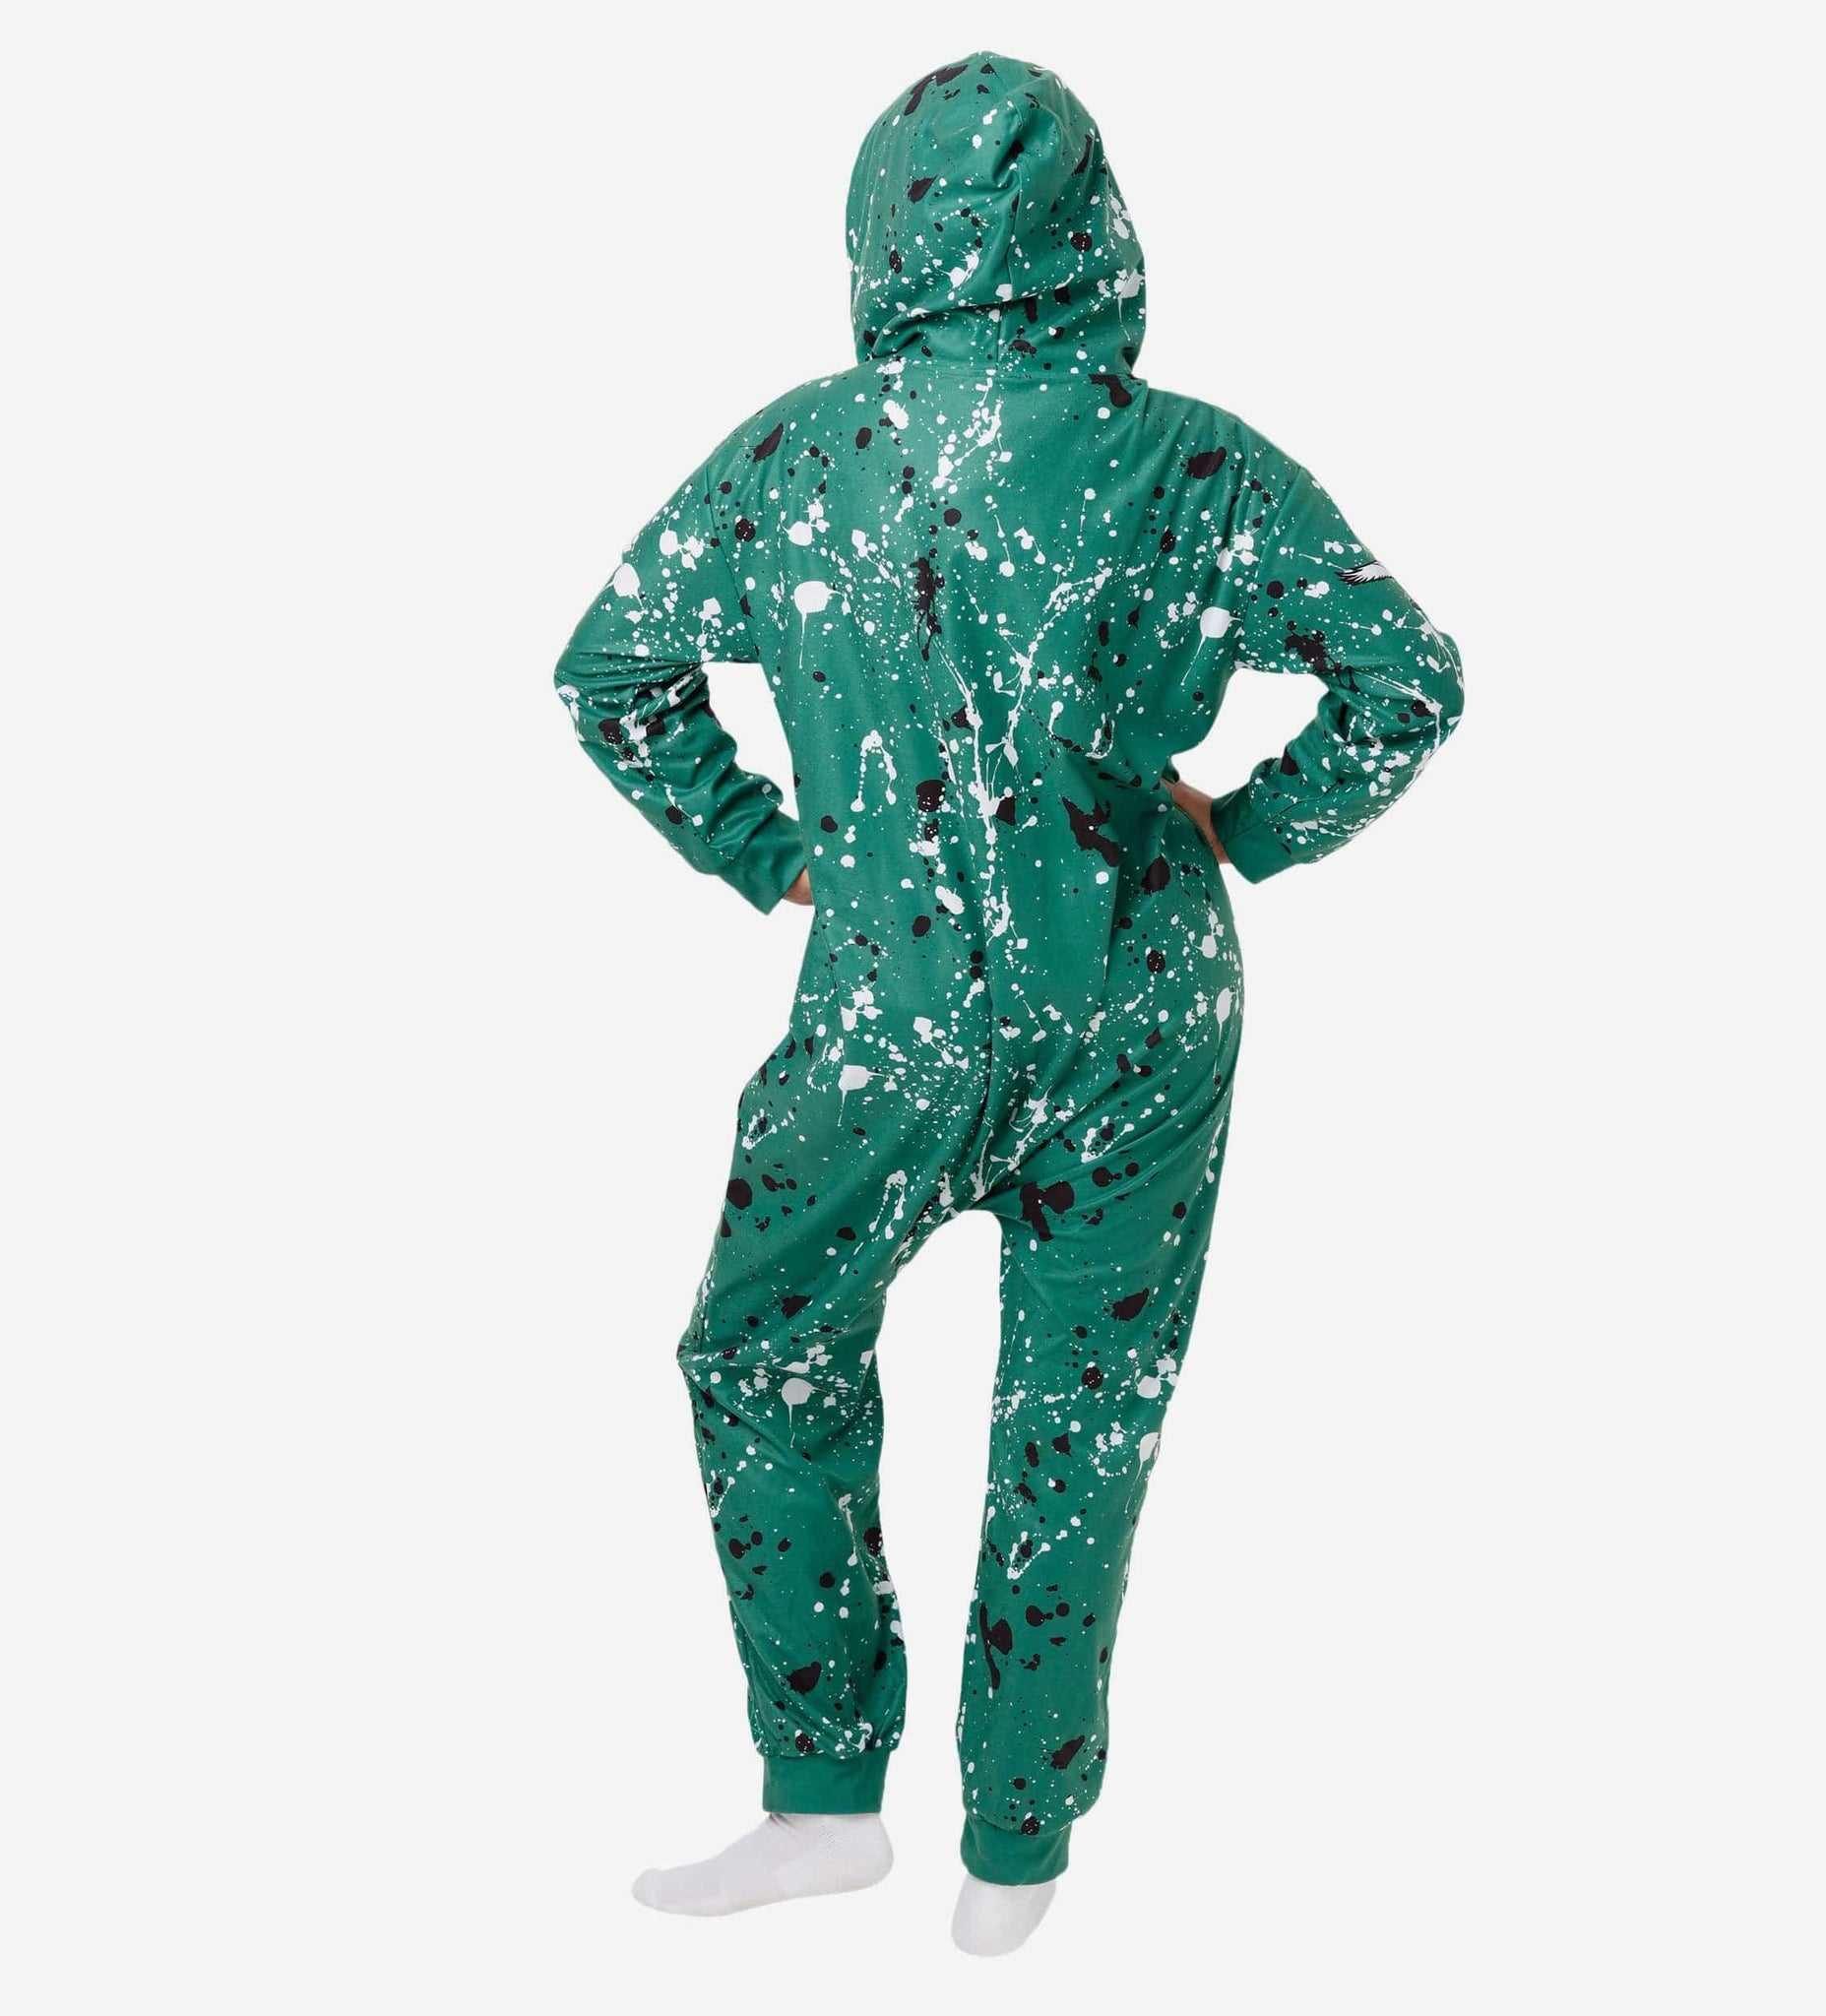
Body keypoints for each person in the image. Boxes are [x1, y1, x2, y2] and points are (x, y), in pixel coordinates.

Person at [553, 50, 1464, 1958]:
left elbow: (614, 672)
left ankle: (822, 1798)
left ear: (878, 233)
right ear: (1097, 232)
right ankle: (1014, 1851)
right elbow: (1407, 681)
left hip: (888, 1010)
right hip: (1141, 1003)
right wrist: (1249, 829)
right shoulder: (1197, 460)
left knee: (762, 1352)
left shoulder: (799, 455)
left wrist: (768, 849)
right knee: (1083, 1411)